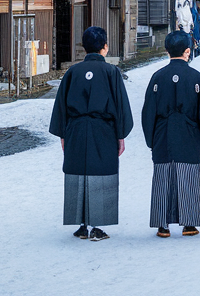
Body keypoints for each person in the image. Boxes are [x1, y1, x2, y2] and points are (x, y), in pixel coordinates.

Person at [49, 26, 133, 242]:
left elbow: (60, 106)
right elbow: (121, 106)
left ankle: (82, 225)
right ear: (105, 47)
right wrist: (121, 134)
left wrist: (63, 134)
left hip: (76, 128)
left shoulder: (73, 72)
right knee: (101, 173)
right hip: (103, 129)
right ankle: (97, 226)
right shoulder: (111, 72)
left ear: (84, 48)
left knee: (79, 173)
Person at [141, 31, 200, 238]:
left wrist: (151, 139)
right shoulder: (196, 77)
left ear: (167, 52)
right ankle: (189, 223)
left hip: (162, 133)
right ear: (187, 51)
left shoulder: (158, 77)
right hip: (189, 133)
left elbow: (148, 111)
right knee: (189, 175)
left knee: (163, 175)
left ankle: (162, 224)